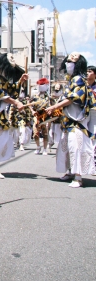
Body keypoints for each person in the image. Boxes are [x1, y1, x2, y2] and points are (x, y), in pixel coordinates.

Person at [46, 53, 96, 188]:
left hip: (77, 122)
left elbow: (74, 98)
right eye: (67, 60)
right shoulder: (72, 79)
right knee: (66, 148)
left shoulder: (79, 79)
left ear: (78, 64)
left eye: (72, 61)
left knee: (76, 148)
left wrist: (55, 106)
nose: (68, 63)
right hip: (68, 122)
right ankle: (69, 172)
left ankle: (78, 176)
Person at [31, 78, 51, 155]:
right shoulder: (35, 96)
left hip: (45, 116)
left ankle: (45, 149)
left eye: (43, 85)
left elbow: (53, 105)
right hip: (37, 116)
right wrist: (32, 111)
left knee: (45, 133)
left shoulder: (48, 97)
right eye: (41, 85)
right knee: (35, 132)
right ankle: (38, 146)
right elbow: (29, 103)